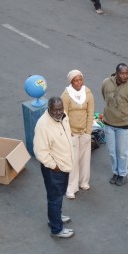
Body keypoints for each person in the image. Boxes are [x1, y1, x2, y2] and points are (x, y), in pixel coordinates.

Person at [33, 97, 74, 238]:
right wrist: (54, 166)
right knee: (55, 198)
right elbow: (40, 151)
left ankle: (55, 217)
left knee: (57, 195)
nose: (58, 112)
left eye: (60, 109)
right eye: (55, 110)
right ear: (49, 109)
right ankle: (57, 229)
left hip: (64, 165)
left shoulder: (64, 116)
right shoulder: (43, 125)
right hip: (54, 169)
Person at [101, 63, 128, 186]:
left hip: (124, 126)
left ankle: (122, 173)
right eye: (122, 73)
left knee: (122, 152)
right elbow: (104, 96)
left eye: (127, 73)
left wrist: (125, 115)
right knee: (112, 151)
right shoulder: (106, 83)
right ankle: (115, 172)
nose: (125, 76)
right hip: (108, 123)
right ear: (117, 73)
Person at [61, 70, 94, 199]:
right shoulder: (66, 95)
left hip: (84, 132)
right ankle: (71, 188)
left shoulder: (88, 93)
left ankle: (84, 182)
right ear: (71, 82)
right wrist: (69, 134)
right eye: (76, 80)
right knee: (73, 161)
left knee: (85, 159)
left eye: (80, 79)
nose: (79, 82)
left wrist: (88, 131)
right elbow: (64, 116)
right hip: (72, 134)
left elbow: (90, 113)